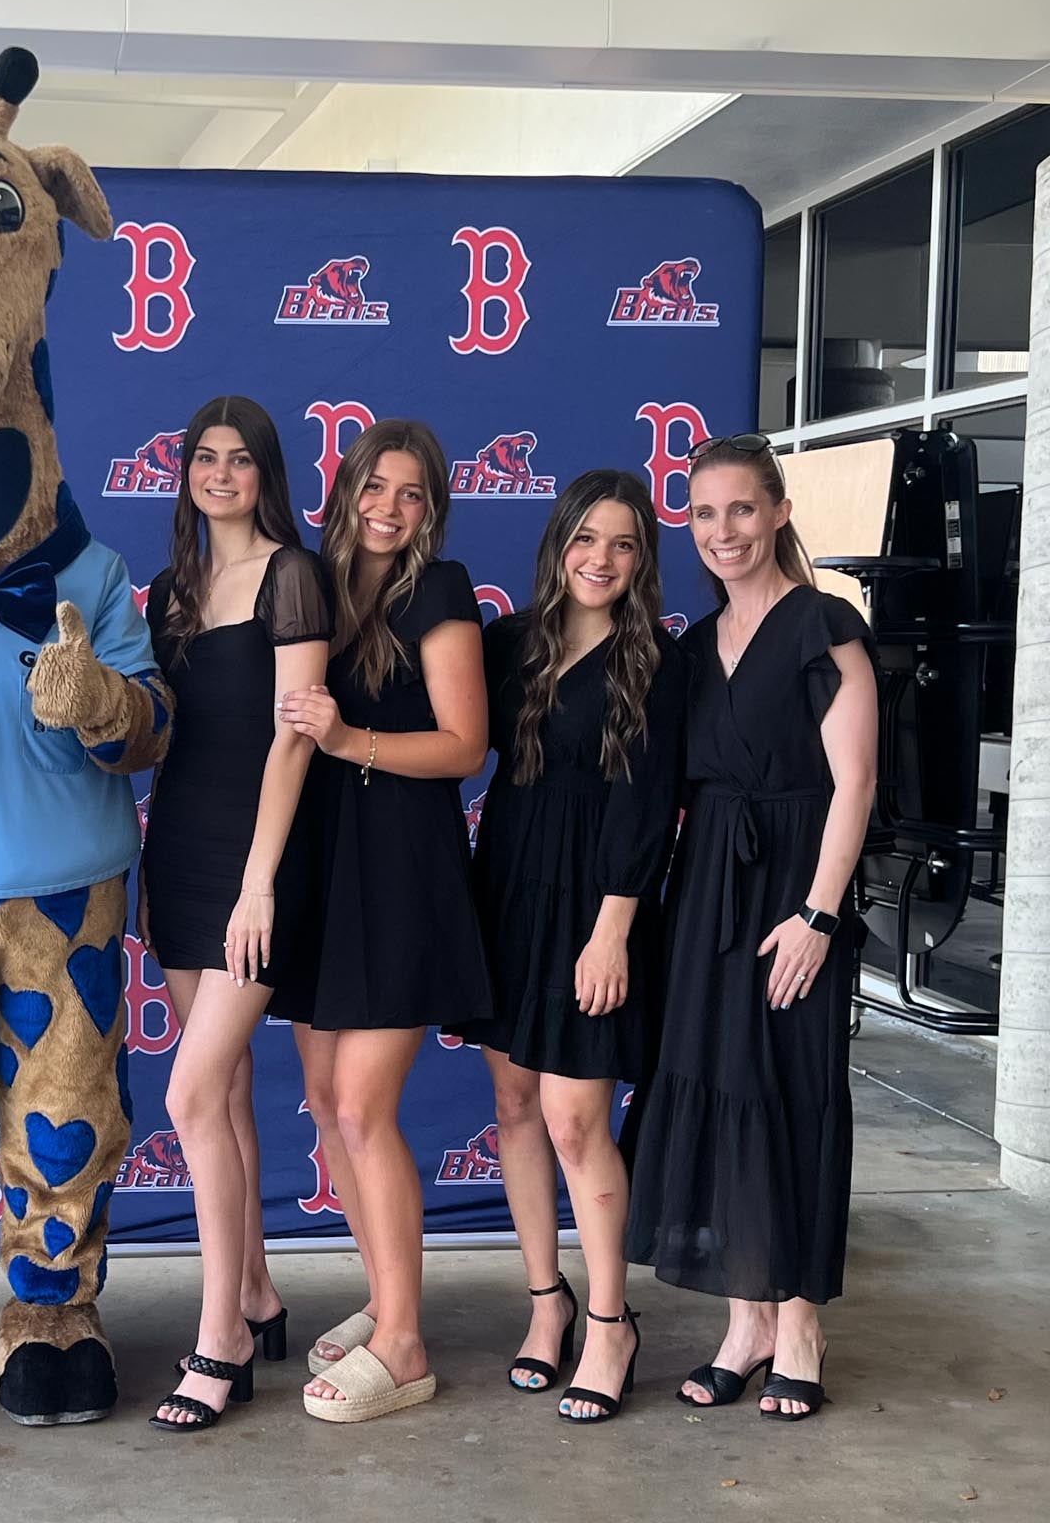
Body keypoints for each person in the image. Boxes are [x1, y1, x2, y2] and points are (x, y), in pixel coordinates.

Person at [625, 433, 877, 1422]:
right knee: (719, 1083)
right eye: (702, 513)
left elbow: (855, 783)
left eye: (740, 508)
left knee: (793, 1093)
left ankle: (799, 1324)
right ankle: (746, 1323)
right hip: (707, 897)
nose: (721, 530)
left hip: (797, 884)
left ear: (777, 512)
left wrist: (818, 915)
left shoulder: (824, 624)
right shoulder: (691, 648)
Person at [447, 471, 684, 1422]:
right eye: (587, 538)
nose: (601, 559)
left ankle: (613, 1321)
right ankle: (548, 1303)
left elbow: (648, 806)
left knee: (577, 1122)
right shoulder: (510, 642)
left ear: (642, 559)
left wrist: (612, 930)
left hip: (597, 905)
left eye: (623, 544)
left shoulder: (655, 660)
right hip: (508, 890)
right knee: (514, 1105)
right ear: (559, 544)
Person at [276, 417, 491, 1424]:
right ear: (346, 489)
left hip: (403, 869)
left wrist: (348, 738)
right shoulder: (312, 587)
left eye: (411, 493)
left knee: (364, 1108)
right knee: (326, 1101)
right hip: (324, 868)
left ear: (430, 508)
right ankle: (383, 1298)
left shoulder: (438, 590)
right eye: (375, 486)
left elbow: (462, 746)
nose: (389, 508)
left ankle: (404, 1346)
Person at [137, 396, 330, 1432]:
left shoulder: (292, 574)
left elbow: (293, 738)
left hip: (257, 864)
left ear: (266, 474)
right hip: (177, 852)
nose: (220, 474)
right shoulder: (171, 589)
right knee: (227, 1092)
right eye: (204, 457)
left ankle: (220, 1339)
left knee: (191, 1094)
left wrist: (260, 881)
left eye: (240, 459)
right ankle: (254, 1290)